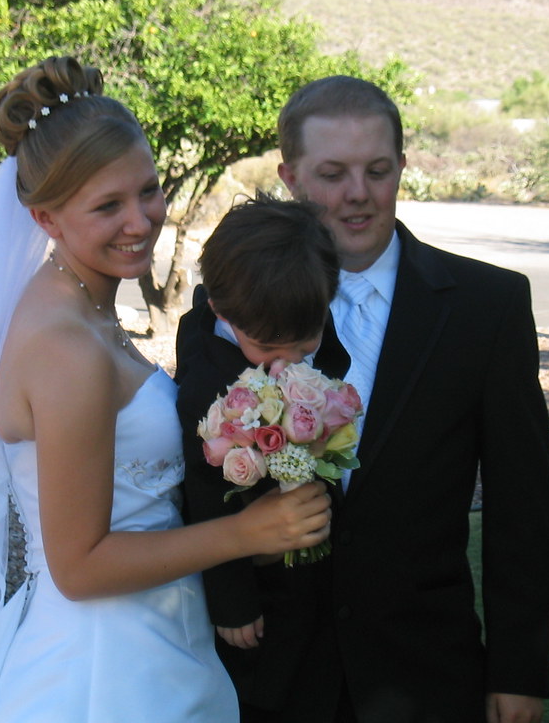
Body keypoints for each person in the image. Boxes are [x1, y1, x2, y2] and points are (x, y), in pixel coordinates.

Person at [0, 57, 331, 723]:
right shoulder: (66, 347)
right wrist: (247, 532)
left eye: (148, 191)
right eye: (108, 206)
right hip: (101, 670)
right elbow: (79, 567)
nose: (140, 221)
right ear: (46, 218)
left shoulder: (85, 308)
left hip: (152, 640)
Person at [266, 76, 549, 723]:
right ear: (290, 177)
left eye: (377, 170)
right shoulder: (231, 309)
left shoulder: (489, 308)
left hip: (426, 672)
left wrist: (519, 668)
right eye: (332, 174)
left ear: (402, 166)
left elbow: (522, 506)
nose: (359, 193)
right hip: (274, 677)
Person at [174, 195, 351, 719]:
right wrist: (232, 601)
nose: (289, 362)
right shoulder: (207, 384)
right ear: (221, 312)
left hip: (318, 567)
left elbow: (326, 359)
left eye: (305, 342)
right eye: (270, 349)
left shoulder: (293, 309)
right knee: (272, 681)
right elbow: (203, 493)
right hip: (257, 582)